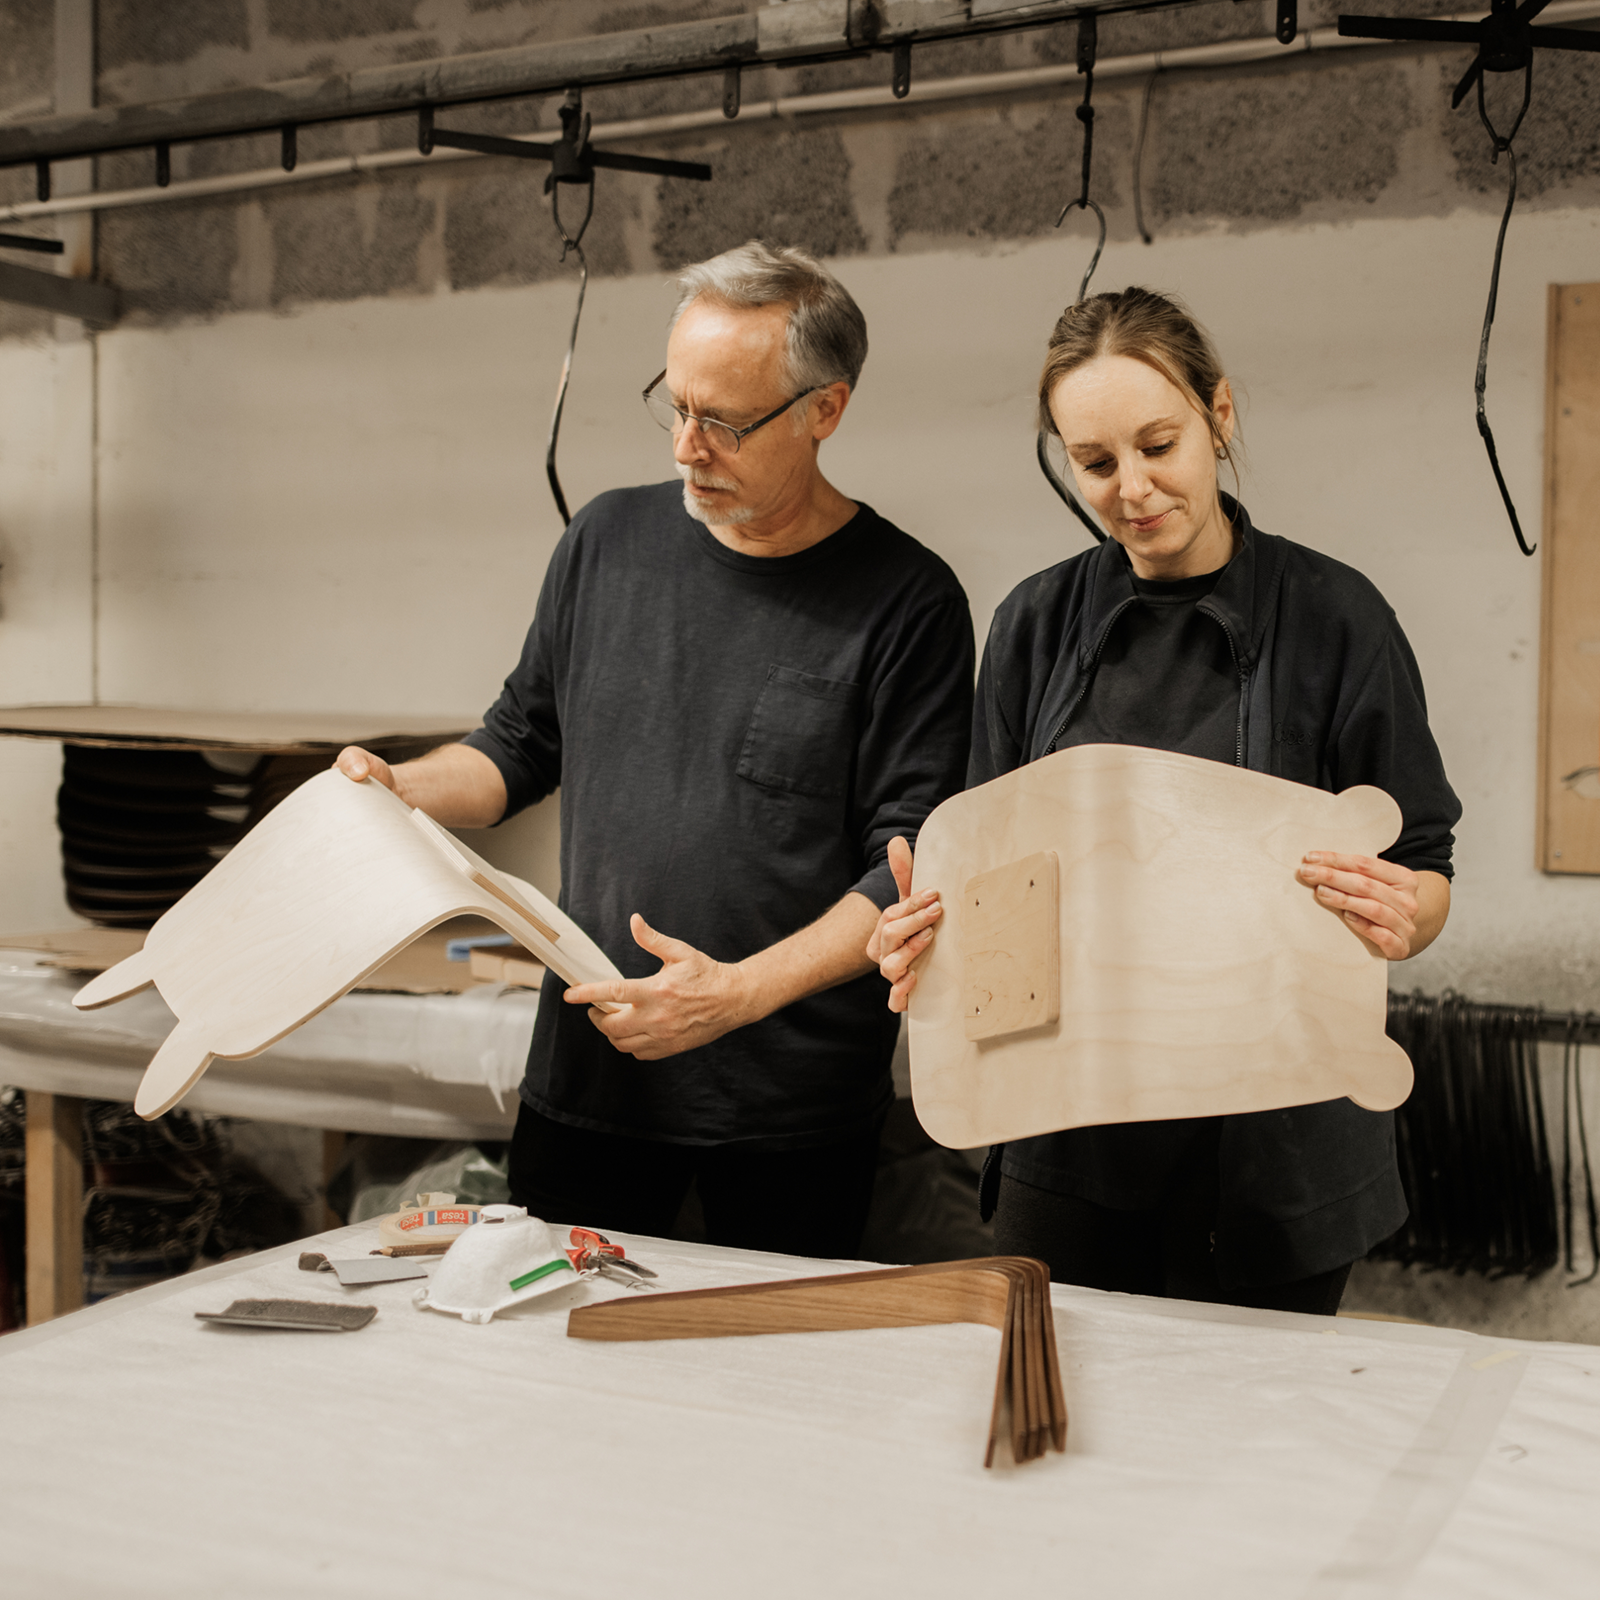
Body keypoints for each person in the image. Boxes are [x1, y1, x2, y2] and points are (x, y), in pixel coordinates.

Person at [338, 241, 974, 1259]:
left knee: (758, 1389)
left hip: (787, 1119)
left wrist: (735, 995)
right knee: (563, 1374)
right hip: (591, 1084)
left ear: (824, 410)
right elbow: (515, 747)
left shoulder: (908, 602)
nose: (686, 447)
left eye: (722, 421)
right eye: (673, 405)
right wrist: (397, 787)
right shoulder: (603, 542)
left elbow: (906, 869)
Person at [869, 287, 1459, 1316]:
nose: (1132, 487)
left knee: (1245, 1447)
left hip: (1274, 1151)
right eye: (1095, 463)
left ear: (1218, 416)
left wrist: (1401, 916)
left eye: (1158, 445)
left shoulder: (1335, 618)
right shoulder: (1035, 624)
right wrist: (928, 938)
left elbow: (1423, 863)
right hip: (1067, 1146)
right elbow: (983, 882)